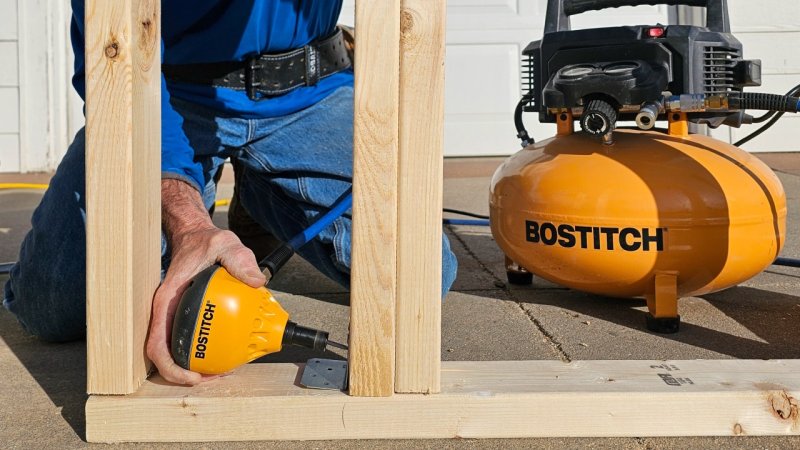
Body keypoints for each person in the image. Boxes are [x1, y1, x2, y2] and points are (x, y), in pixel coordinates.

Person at [2, 1, 458, 385]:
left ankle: (260, 202)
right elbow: (111, 53)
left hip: (307, 90)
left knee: (420, 274)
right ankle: (203, 187)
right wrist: (186, 220)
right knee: (52, 304)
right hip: (163, 92)